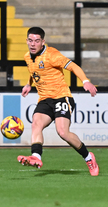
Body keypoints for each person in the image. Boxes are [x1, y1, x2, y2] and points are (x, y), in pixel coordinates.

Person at [17, 27, 99, 176]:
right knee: (36, 123)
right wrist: (29, 84)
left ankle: (88, 157)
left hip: (62, 97)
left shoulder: (52, 55)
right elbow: (33, 71)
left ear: (43, 42)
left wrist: (86, 81)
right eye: (30, 40)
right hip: (44, 99)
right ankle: (36, 157)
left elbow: (72, 66)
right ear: (27, 41)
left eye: (36, 41)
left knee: (63, 132)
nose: (33, 44)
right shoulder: (27, 57)